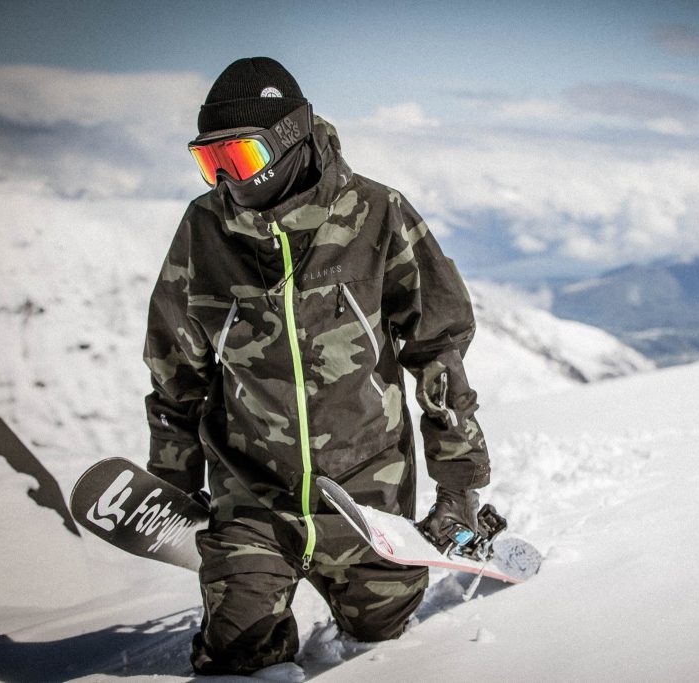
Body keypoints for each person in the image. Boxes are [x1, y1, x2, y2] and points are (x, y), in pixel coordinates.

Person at [143, 56, 490, 675]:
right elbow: (177, 371)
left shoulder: (377, 213)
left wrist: (458, 488)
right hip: (251, 495)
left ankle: (388, 598)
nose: (225, 180)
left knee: (383, 638)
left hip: (367, 499)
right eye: (209, 161)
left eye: (239, 159)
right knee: (236, 652)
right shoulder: (203, 230)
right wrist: (174, 479)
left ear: (289, 139)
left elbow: (438, 352)